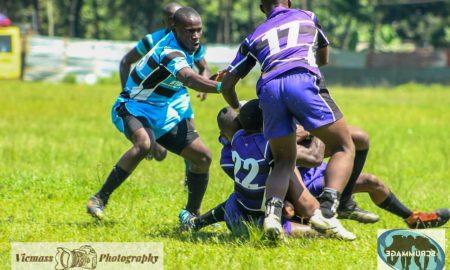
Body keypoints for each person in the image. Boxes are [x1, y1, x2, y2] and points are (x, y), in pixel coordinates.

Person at [219, 0, 355, 238]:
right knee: (344, 147)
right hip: (301, 79)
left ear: (263, 7)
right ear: (289, 1)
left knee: (283, 160)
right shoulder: (307, 16)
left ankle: (272, 216)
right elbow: (322, 58)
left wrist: (237, 106)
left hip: (269, 88)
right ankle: (328, 210)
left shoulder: (253, 36)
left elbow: (227, 84)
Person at [86, 7, 223, 224]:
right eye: (189, 31)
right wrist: (220, 87)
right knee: (144, 144)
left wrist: (209, 78)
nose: (195, 35)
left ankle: (192, 216)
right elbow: (188, 78)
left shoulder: (191, 46)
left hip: (163, 110)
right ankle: (99, 198)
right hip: (133, 106)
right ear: (174, 29)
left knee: (203, 157)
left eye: (199, 30)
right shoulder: (169, 51)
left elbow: (197, 72)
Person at [184, 101, 357, 240]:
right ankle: (321, 231)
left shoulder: (232, 147)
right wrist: (313, 129)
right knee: (311, 229)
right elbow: (314, 158)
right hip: (259, 220)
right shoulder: (270, 145)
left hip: (236, 215)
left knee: (236, 199)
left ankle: (197, 222)